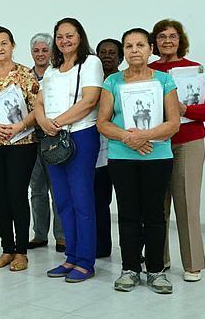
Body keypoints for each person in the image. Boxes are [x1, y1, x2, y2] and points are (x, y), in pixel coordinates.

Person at [97, 28, 180, 294]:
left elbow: (174, 123)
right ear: (124, 51)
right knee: (129, 213)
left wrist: (144, 135)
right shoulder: (112, 82)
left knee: (155, 214)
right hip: (122, 157)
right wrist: (127, 138)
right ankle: (130, 268)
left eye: (140, 45)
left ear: (150, 49)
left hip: (158, 156)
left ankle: (156, 271)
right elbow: (102, 122)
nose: (135, 50)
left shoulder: (164, 80)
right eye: (129, 45)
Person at [148, 19, 205, 282]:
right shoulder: (147, 71)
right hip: (155, 144)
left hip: (187, 142)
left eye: (173, 36)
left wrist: (186, 110)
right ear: (154, 42)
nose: (167, 41)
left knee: (187, 204)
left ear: (181, 40)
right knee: (157, 205)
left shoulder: (195, 70)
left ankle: (193, 264)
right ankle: (160, 259)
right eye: (161, 37)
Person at [34, 18, 103, 283]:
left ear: (80, 37)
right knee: (62, 200)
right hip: (53, 138)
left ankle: (86, 261)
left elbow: (90, 100)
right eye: (60, 37)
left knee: (82, 201)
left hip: (81, 136)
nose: (64, 41)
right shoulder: (52, 70)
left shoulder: (90, 63)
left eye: (70, 35)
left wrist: (56, 122)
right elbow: (39, 101)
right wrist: (42, 121)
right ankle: (71, 257)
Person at [0, 27, 39, 272]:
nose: (0, 48)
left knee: (18, 195)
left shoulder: (26, 74)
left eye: (4, 43)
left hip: (22, 144)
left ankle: (21, 251)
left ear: (13, 45)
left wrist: (20, 125)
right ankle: (7, 249)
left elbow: (37, 109)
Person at [27, 33, 65, 252]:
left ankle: (61, 236)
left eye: (44, 50)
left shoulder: (57, 75)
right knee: (37, 189)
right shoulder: (24, 76)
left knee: (58, 189)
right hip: (31, 139)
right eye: (36, 51)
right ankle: (39, 234)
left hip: (54, 137)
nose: (40, 54)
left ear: (52, 52)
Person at [94, 38, 124, 258]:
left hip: (125, 150)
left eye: (112, 52)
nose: (107, 56)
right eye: (103, 52)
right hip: (98, 154)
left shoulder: (127, 81)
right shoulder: (91, 83)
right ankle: (102, 246)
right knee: (99, 203)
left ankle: (132, 250)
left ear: (120, 57)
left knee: (128, 205)